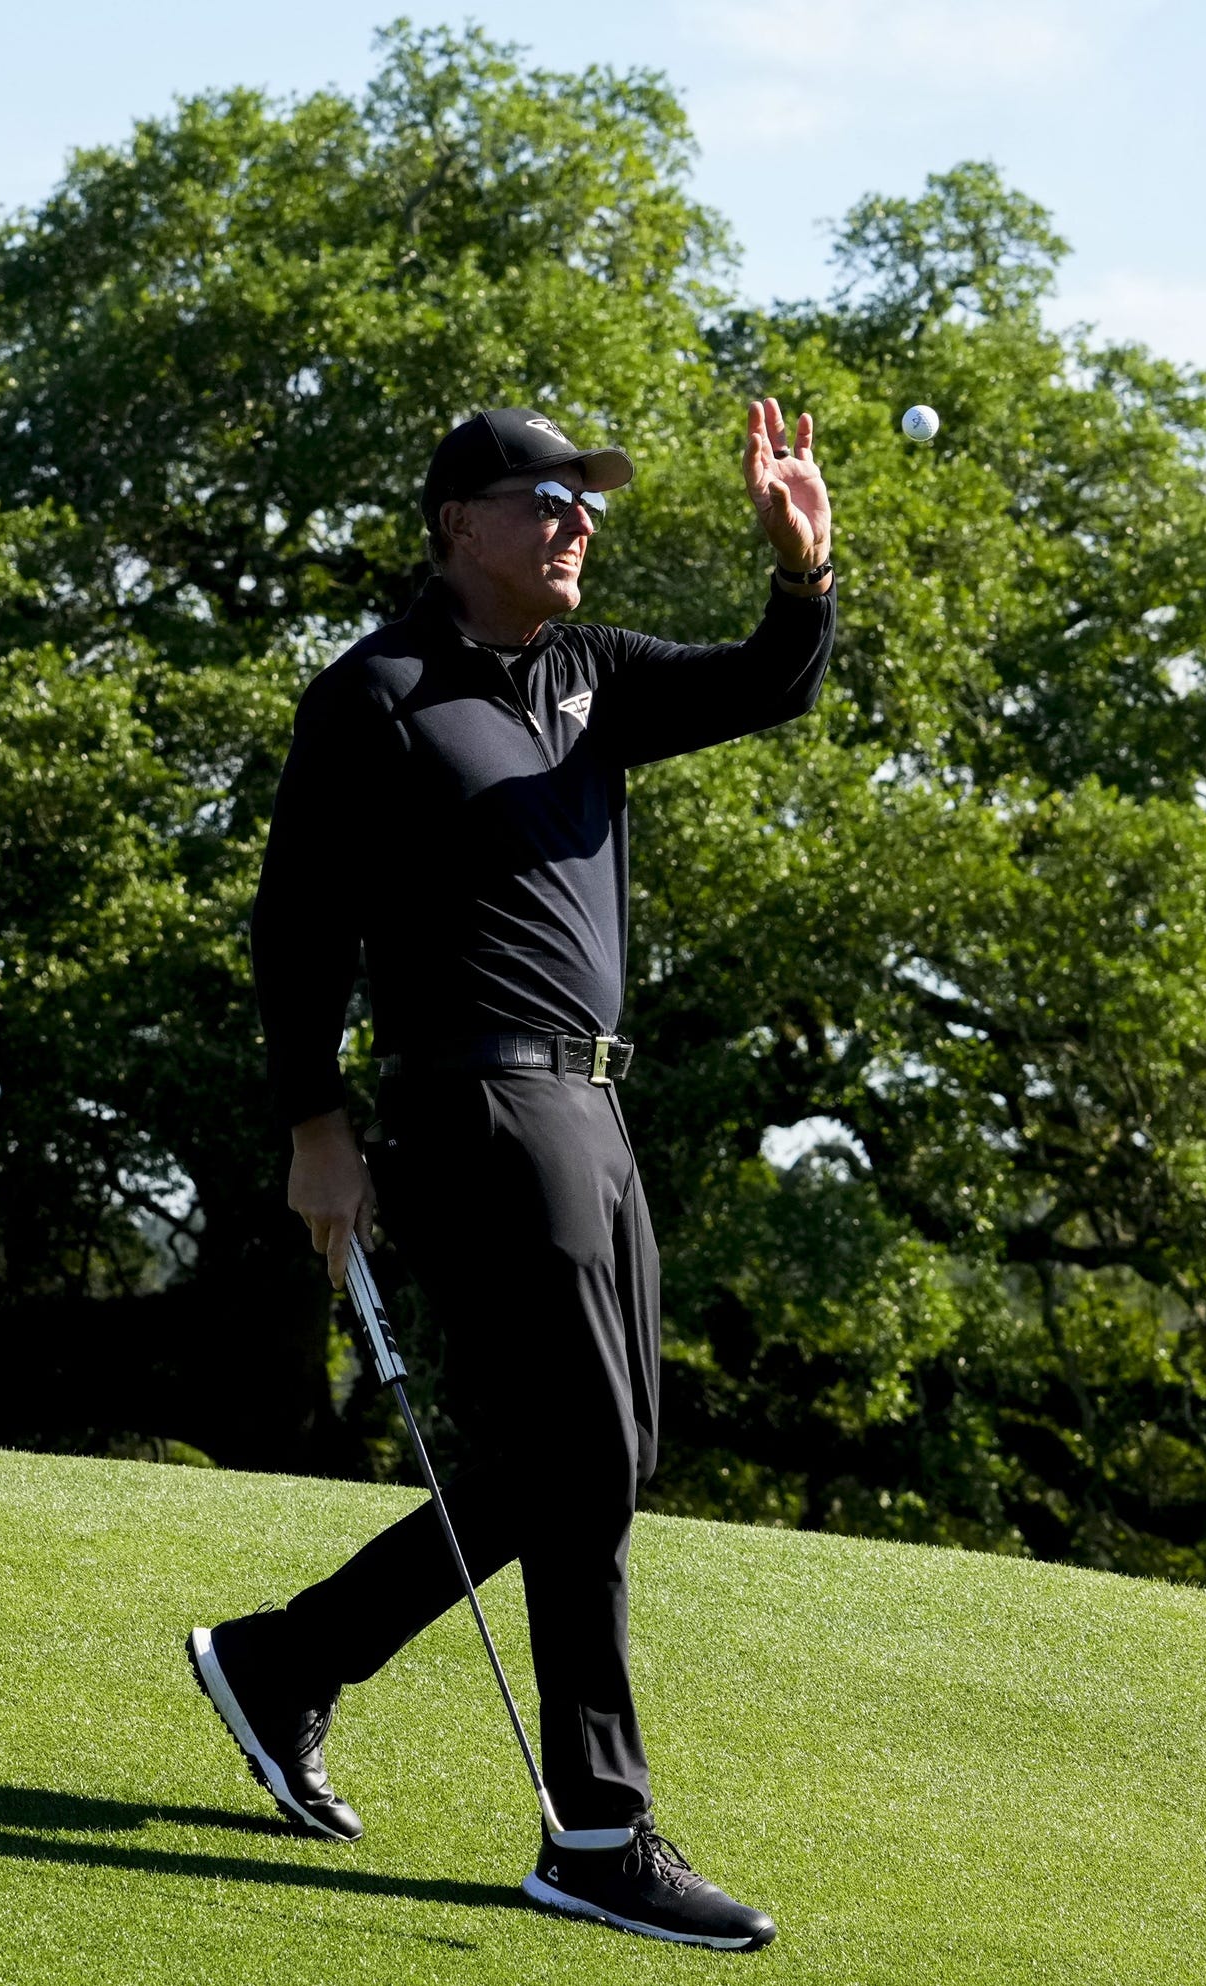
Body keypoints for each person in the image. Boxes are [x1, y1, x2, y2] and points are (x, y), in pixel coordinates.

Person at [186, 400, 834, 1951]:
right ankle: (596, 1831)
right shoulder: (376, 695)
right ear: (456, 522)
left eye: (584, 499)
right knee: (581, 1457)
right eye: (544, 497)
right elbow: (295, 924)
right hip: (472, 1102)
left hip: (593, 1107)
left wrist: (800, 573)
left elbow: (764, 683)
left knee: (596, 1451)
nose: (575, 519)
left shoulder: (588, 674)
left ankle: (288, 1659)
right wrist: (313, 1121)